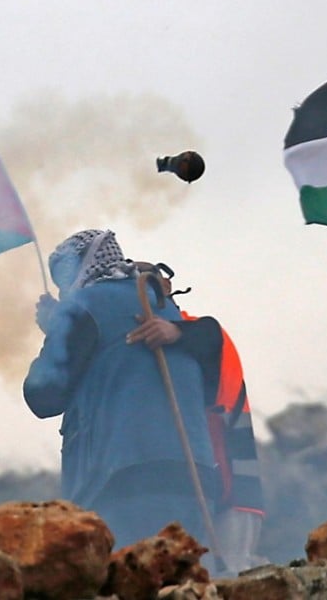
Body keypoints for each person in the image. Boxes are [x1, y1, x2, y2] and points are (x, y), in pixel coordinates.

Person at [22, 229, 223, 549]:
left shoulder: (86, 306)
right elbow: (209, 389)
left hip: (124, 485)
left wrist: (56, 329)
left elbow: (43, 395)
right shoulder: (165, 307)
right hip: (195, 481)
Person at [133, 260, 267, 573]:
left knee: (230, 578)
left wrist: (176, 331)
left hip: (233, 488)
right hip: (197, 487)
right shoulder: (157, 339)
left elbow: (207, 336)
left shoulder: (203, 331)